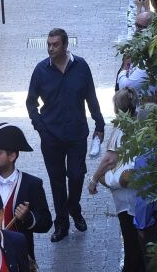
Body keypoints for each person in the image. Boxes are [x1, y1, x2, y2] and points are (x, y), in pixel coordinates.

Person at [25, 28, 105, 242]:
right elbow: (31, 102)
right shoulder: (41, 70)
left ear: (65, 46)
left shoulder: (81, 66)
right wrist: (40, 127)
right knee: (57, 181)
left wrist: (99, 122)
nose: (50, 48)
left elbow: (91, 96)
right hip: (51, 135)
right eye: (48, 44)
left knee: (76, 175)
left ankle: (74, 207)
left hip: (77, 133)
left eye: (55, 45)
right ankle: (61, 223)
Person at [0, 123, 52, 261]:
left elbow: (46, 223)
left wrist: (28, 217)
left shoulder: (32, 184)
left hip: (19, 258)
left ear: (12, 156)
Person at [88, 89, 145, 272]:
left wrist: (94, 179)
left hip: (125, 194)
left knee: (129, 236)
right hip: (140, 190)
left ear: (117, 107)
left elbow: (109, 159)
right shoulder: (141, 123)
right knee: (137, 236)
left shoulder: (121, 128)